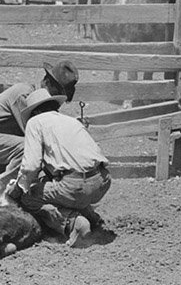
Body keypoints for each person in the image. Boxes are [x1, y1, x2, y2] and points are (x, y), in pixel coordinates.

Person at [6, 88, 112, 248]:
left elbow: (31, 165)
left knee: (29, 198)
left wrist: (19, 188)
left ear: (34, 112)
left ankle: (73, 223)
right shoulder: (71, 121)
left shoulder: (35, 122)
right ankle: (91, 216)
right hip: (102, 181)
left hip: (75, 187)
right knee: (59, 185)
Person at [0, 60, 78, 207]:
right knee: (29, 150)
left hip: (2, 143)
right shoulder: (25, 96)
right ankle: (0, 205)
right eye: (57, 94)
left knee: (23, 186)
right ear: (46, 83)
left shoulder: (37, 100)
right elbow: (36, 139)